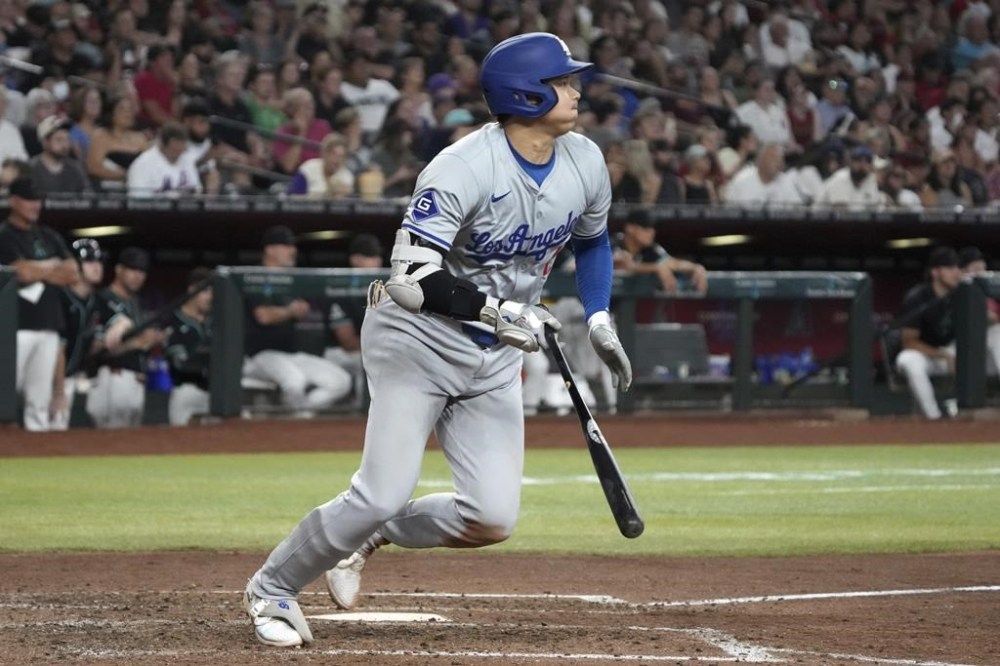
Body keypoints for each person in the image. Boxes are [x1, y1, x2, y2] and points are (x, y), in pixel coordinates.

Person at [243, 32, 632, 648]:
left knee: (491, 518)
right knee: (380, 491)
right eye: (562, 82)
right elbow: (412, 278)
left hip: (498, 351)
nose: (576, 90)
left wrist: (599, 317)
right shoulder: (463, 167)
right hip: (418, 340)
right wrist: (499, 311)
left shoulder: (584, 160)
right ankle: (272, 588)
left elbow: (593, 242)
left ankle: (373, 532)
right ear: (526, 94)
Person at [242, 225, 353, 414]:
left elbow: (301, 309)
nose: (292, 250)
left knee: (341, 381)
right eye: (286, 246)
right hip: (259, 356)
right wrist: (290, 311)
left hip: (291, 354)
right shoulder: (255, 277)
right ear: (270, 250)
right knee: (295, 382)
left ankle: (298, 416)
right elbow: (264, 316)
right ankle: (296, 418)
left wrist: (291, 311)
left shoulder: (291, 279)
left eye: (292, 246)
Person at [0, 177, 78, 431]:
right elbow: (20, 273)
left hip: (48, 323)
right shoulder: (5, 235)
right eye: (29, 200)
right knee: (5, 395)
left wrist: (36, 269)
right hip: (14, 327)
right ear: (13, 201)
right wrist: (52, 265)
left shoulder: (48, 235)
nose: (35, 205)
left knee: (39, 401)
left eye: (37, 200)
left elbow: (72, 273)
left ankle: (36, 448)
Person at [894, 246, 999, 420]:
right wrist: (942, 355)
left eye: (957, 267)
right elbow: (909, 342)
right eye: (949, 268)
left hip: (956, 354)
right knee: (908, 360)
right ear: (935, 272)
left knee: (996, 332)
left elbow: (989, 323)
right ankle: (933, 418)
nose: (956, 272)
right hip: (928, 355)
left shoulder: (964, 293)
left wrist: (983, 315)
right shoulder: (917, 297)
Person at [87, 247, 167, 429]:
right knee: (111, 440)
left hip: (136, 381)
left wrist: (152, 340)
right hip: (112, 378)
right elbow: (94, 347)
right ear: (119, 270)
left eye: (142, 271)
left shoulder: (135, 304)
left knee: (130, 441)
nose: (138, 276)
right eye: (132, 269)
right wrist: (137, 342)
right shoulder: (102, 299)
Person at [51, 239, 106, 430]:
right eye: (89, 261)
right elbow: (58, 347)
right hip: (48, 379)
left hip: (69, 377)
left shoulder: (94, 301)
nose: (97, 267)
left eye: (99, 261)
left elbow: (92, 344)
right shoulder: (60, 296)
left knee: (58, 429)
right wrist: (59, 391)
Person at [323, 233, 384, 394]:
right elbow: (348, 342)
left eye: (377, 256)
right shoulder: (340, 289)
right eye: (369, 256)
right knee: (373, 362)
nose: (376, 261)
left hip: (368, 350)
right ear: (355, 260)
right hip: (338, 353)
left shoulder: (379, 290)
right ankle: (363, 407)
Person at [165, 267, 213, 426]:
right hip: (186, 391)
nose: (210, 297)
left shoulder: (215, 321)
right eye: (205, 291)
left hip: (214, 393)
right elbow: (180, 362)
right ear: (192, 290)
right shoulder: (174, 319)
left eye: (212, 292)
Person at [126, 122, 201, 198]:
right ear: (162, 144)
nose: (178, 153)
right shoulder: (142, 165)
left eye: (181, 149)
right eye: (174, 149)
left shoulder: (186, 159)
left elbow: (197, 191)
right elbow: (138, 199)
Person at [29, 115, 92, 196]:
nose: (64, 144)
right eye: (59, 140)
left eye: (67, 139)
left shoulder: (75, 168)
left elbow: (88, 196)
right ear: (45, 143)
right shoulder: (31, 169)